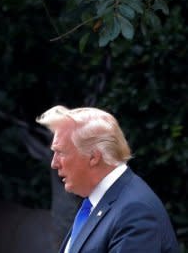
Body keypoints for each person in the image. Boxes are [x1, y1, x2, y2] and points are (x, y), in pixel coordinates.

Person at [36, 105, 179, 253]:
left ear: (93, 156)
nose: (54, 163)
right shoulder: (99, 203)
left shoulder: (135, 211)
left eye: (61, 152)